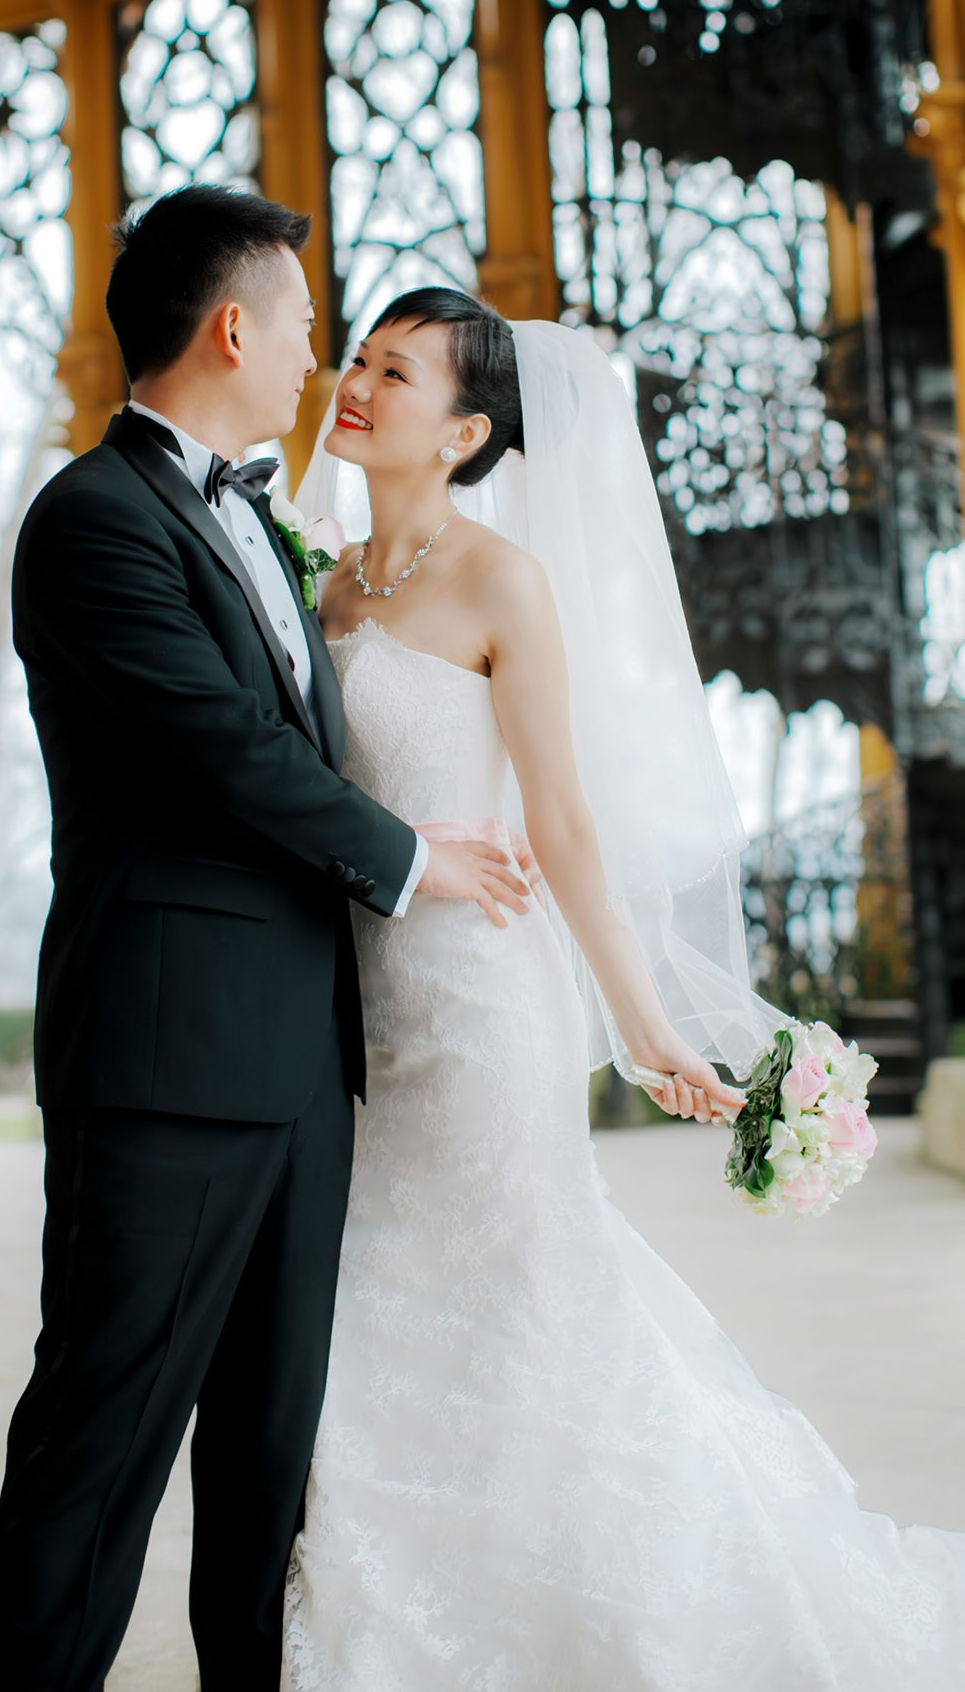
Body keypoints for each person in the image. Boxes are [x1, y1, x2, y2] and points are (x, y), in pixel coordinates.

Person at [281, 288, 965, 1689]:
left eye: (393, 372)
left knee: (515, 1295)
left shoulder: (501, 583)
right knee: (375, 1305)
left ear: (466, 431)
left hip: (480, 1013)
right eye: (357, 356)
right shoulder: (326, 580)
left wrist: (647, 1025)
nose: (354, 383)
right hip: (358, 1010)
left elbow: (565, 826)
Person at [0, 190, 540, 1692]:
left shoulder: (261, 524)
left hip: (303, 1071)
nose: (313, 359)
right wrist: (416, 858)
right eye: (300, 324)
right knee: (100, 1445)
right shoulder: (93, 521)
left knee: (270, 1475)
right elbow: (226, 752)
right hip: (164, 1067)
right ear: (233, 325)